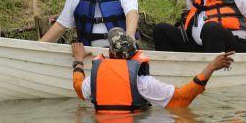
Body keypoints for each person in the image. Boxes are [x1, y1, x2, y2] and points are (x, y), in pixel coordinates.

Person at [71, 28, 234, 112]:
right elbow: (181, 99)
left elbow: (79, 89)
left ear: (111, 54)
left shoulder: (94, 79)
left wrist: (78, 61)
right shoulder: (141, 82)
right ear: (134, 53)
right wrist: (210, 68)